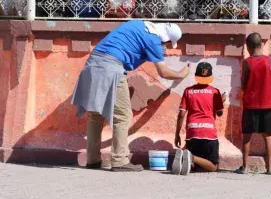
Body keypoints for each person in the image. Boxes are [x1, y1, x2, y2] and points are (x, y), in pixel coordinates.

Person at [71, 20, 191, 172]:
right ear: (165, 39)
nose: (165, 46)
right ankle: (120, 161)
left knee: (96, 115)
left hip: (93, 63)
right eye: (167, 43)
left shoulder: (139, 23)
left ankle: (92, 160)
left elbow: (128, 46)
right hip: (111, 67)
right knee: (122, 115)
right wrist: (182, 74)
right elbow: (164, 72)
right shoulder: (153, 41)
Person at [172, 62, 225, 175]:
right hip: (209, 133)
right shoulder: (215, 92)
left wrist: (177, 134)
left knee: (195, 167)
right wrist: (222, 101)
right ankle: (191, 157)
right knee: (213, 166)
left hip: (192, 132)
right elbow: (219, 113)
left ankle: (187, 158)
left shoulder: (188, 91)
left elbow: (181, 114)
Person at [236, 33, 271, 175]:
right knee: (268, 135)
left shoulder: (247, 62)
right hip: (266, 103)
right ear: (262, 45)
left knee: (247, 135)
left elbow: (243, 84)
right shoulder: (269, 61)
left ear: (248, 46)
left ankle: (245, 167)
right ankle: (270, 167)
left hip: (250, 104)